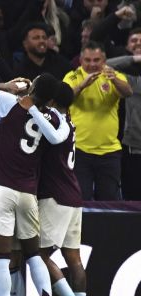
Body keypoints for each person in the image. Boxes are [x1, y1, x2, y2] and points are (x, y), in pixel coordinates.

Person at [0, 73, 66, 296]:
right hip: (28, 192)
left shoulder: (9, 101)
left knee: (1, 257)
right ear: (51, 99)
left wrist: (7, 86)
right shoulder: (52, 117)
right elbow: (58, 135)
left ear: (31, 86)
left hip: (1, 189)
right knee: (34, 254)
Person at [36, 82, 91, 296]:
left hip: (55, 197)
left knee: (38, 255)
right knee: (74, 259)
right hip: (73, 196)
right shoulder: (69, 121)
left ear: (50, 101)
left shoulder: (53, 121)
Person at [63, 41, 132, 200]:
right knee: (81, 201)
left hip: (109, 151)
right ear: (81, 60)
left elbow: (128, 92)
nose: (92, 64)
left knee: (109, 203)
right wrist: (82, 85)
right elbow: (63, 98)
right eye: (88, 60)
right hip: (80, 150)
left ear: (104, 61)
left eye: (96, 60)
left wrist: (115, 80)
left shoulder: (112, 75)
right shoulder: (72, 76)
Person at [106, 54, 141, 200]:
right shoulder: (134, 82)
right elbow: (107, 66)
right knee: (132, 200)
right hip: (134, 148)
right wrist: (134, 58)